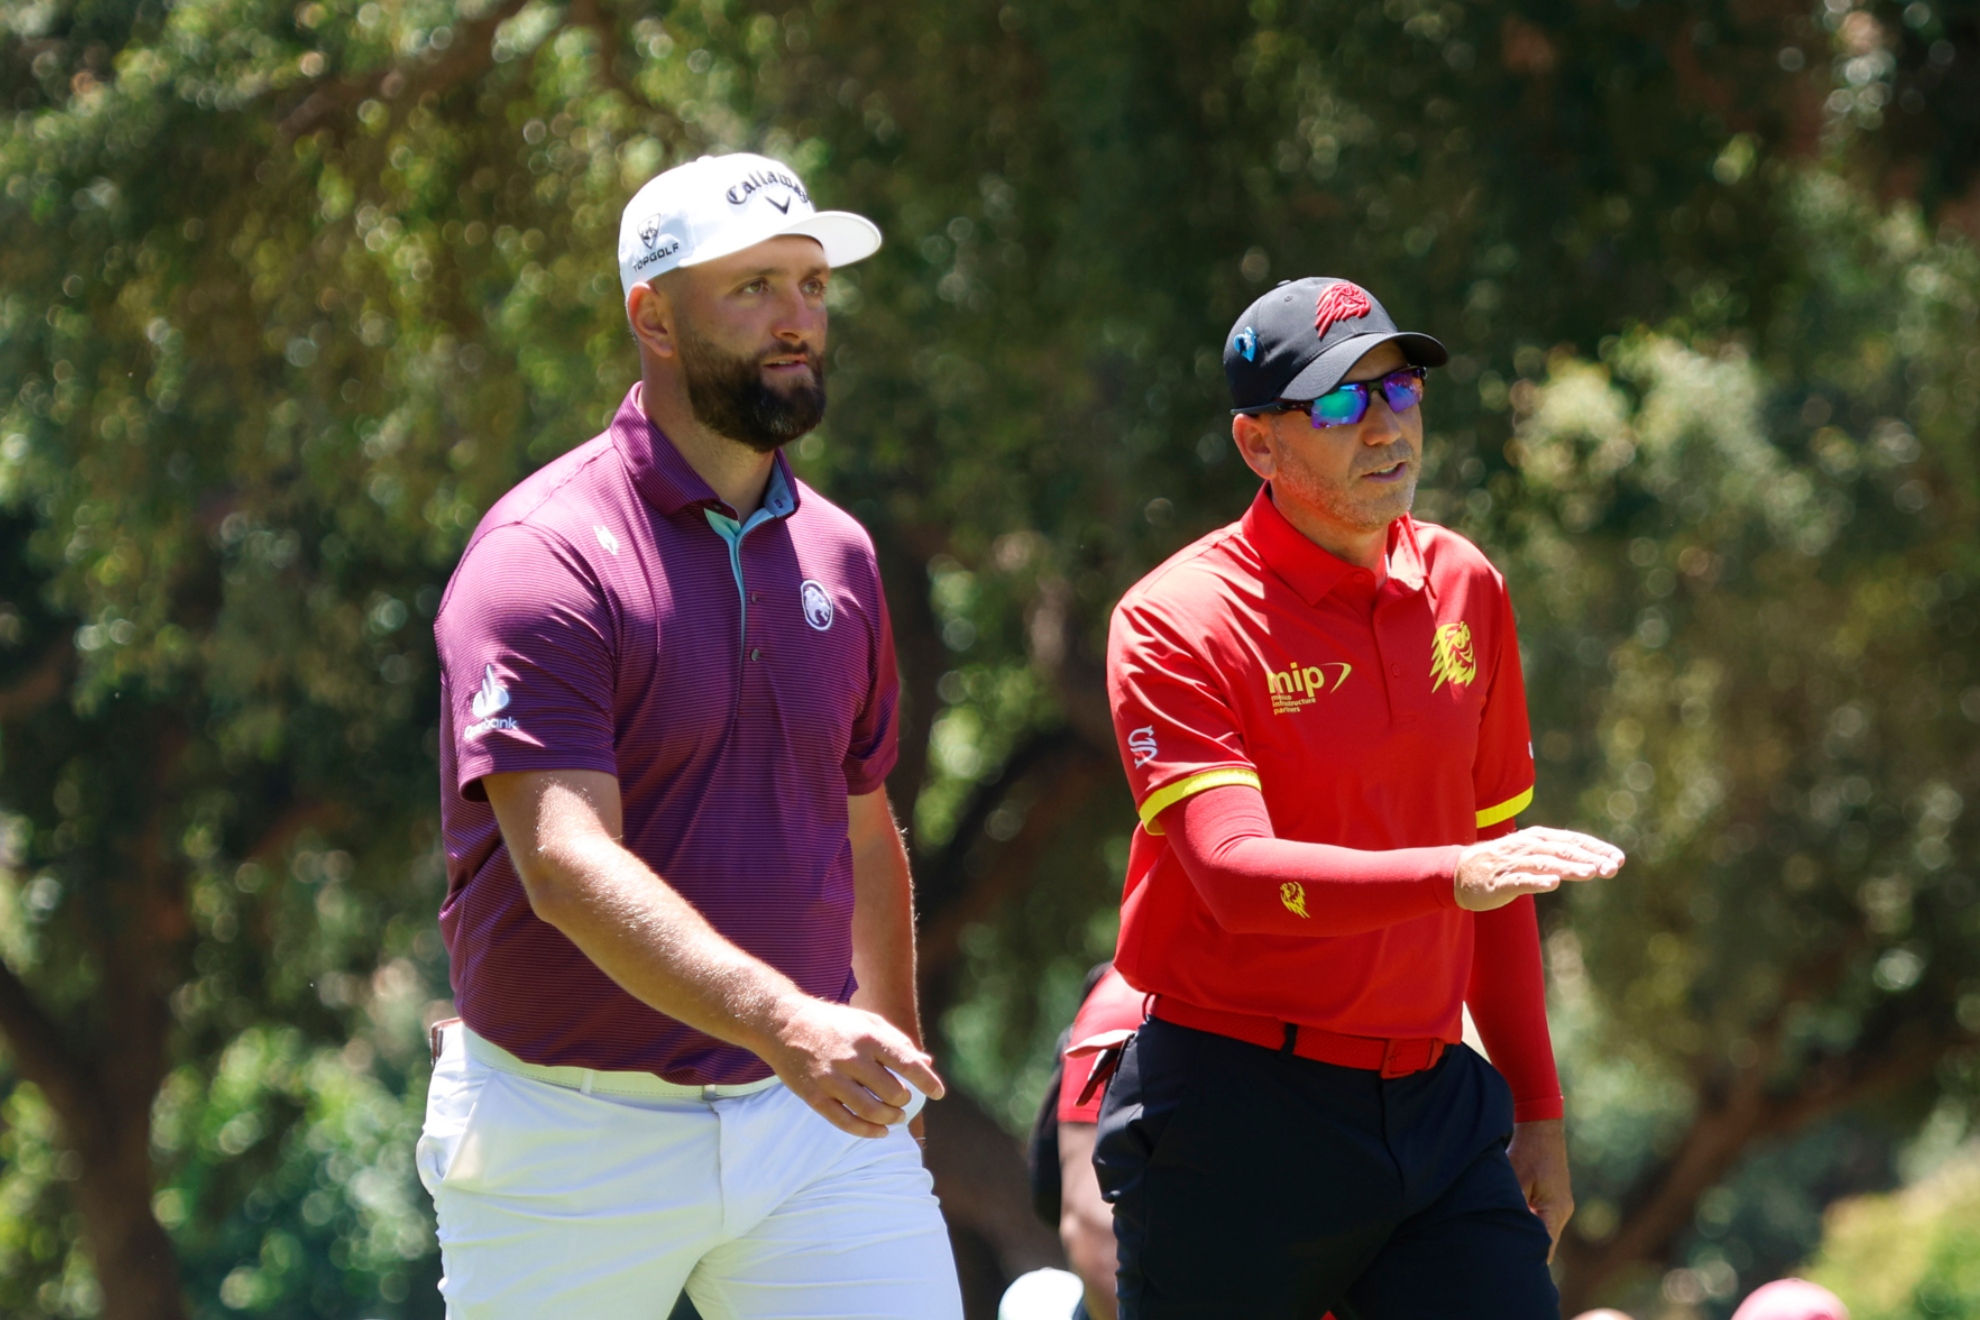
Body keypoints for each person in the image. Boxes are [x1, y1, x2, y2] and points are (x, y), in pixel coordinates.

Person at [420, 151, 964, 1318]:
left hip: (809, 1131)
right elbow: (566, 865)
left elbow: (861, 827)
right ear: (652, 319)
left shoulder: (843, 556)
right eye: (755, 286)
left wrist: (888, 1068)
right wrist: (786, 1022)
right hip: (567, 1138)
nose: (796, 321)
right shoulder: (543, 557)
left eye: (812, 287)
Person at [1096, 276, 1627, 1318]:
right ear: (1259, 446)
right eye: (1339, 404)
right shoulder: (1177, 620)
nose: (1384, 426)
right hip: (1239, 1114)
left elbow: (1500, 875)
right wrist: (1456, 875)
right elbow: (1235, 878)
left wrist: (1540, 1108)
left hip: (1438, 1111)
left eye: (1400, 391)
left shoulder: (1467, 585)